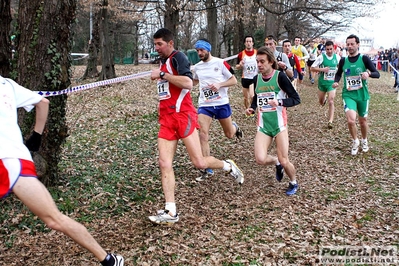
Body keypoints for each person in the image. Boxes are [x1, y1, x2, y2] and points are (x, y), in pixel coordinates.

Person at [0, 75, 124, 266]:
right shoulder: (6, 84)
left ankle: (108, 260)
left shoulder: (6, 85)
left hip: (11, 161)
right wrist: (36, 135)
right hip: (14, 160)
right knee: (54, 220)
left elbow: (43, 101)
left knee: (54, 219)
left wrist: (36, 138)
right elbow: (43, 102)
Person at [149, 28, 244, 225]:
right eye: (155, 44)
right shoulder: (163, 61)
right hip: (166, 119)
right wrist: (161, 75)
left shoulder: (179, 58)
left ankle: (227, 165)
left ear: (170, 43)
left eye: (160, 44)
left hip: (183, 117)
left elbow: (187, 83)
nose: (156, 47)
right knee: (164, 163)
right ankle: (170, 210)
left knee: (199, 163)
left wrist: (163, 75)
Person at [245, 46, 301, 196]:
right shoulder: (256, 79)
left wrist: (280, 103)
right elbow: (257, 97)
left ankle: (293, 182)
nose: (259, 65)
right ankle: (275, 162)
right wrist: (252, 108)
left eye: (262, 61)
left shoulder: (280, 77)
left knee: (285, 160)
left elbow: (296, 99)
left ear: (270, 62)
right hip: (263, 126)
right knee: (260, 159)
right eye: (257, 62)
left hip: (279, 125)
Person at [193, 38, 243, 181]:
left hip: (221, 103)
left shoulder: (220, 63)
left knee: (229, 135)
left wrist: (220, 84)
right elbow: (195, 81)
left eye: (202, 50)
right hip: (205, 105)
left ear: (208, 49)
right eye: (197, 51)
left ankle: (234, 127)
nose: (199, 53)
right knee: (203, 134)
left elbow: (233, 80)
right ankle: (207, 167)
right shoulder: (197, 67)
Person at [332, 34, 380, 155]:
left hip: (362, 94)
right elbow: (338, 73)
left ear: (358, 45)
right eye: (348, 44)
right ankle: (355, 141)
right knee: (351, 120)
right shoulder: (343, 60)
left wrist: (368, 74)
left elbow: (377, 73)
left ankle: (364, 140)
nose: (350, 46)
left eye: (352, 44)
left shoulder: (364, 59)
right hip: (348, 94)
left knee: (363, 121)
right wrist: (336, 81)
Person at [310, 40, 341, 129]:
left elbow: (341, 68)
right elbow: (312, 68)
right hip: (322, 83)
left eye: (331, 49)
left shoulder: (337, 57)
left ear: (334, 48)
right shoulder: (321, 57)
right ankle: (324, 100)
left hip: (332, 84)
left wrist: (338, 75)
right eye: (327, 49)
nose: (329, 51)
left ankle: (330, 121)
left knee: (331, 101)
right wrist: (322, 70)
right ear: (325, 49)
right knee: (321, 102)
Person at [235, 35, 258, 113]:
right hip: (245, 78)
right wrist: (240, 65)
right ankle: (247, 109)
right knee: (246, 98)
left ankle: (252, 110)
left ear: (253, 43)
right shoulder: (241, 54)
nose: (248, 43)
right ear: (245, 43)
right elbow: (236, 66)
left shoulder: (257, 53)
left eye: (250, 41)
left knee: (252, 96)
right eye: (247, 41)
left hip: (254, 78)